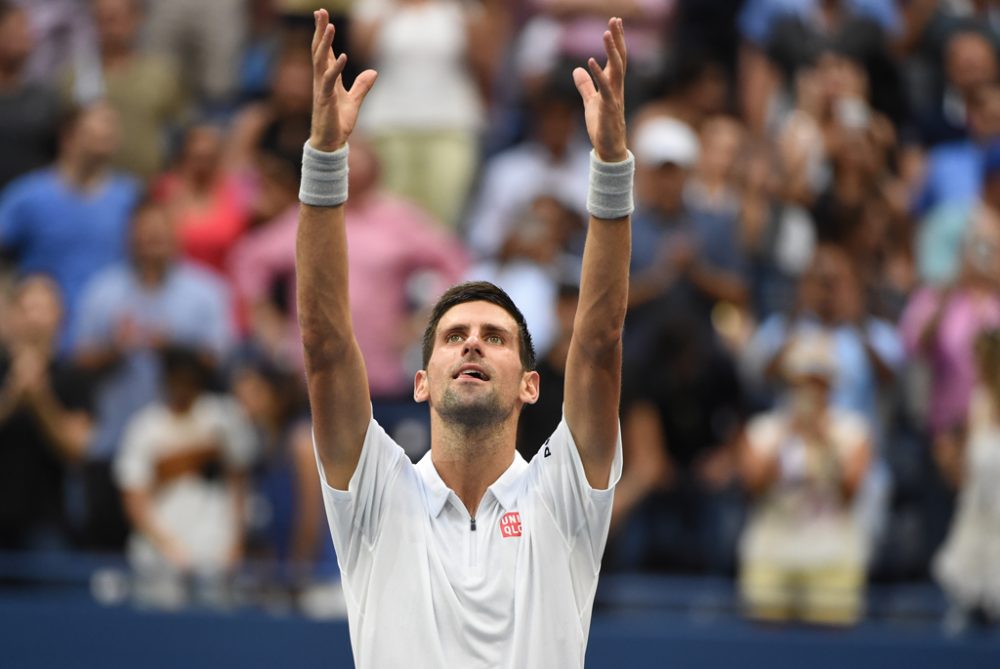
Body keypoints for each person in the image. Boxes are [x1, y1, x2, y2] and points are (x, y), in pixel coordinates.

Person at [296, 11, 629, 667]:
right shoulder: (375, 491)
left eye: (495, 337)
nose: (473, 344)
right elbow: (326, 343)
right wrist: (326, 157)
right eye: (453, 336)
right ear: (421, 379)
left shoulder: (564, 497)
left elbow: (597, 340)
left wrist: (612, 166)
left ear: (532, 384)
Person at [738, 333, 872, 626]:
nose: (811, 392)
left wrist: (826, 443)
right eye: (802, 384)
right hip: (772, 553)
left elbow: (851, 492)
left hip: (832, 555)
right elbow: (753, 486)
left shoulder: (853, 432)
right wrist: (788, 436)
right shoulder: (762, 431)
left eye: (818, 383)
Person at [114, 345, 255, 608]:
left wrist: (236, 542)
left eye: (189, 380)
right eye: (176, 379)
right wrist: (167, 547)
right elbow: (133, 497)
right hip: (159, 555)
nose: (182, 387)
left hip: (214, 548)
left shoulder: (223, 417)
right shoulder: (144, 427)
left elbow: (240, 482)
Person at [0, 100, 141, 352]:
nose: (109, 134)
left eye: (112, 128)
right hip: (43, 342)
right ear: (68, 136)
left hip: (108, 346)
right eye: (99, 126)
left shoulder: (130, 198)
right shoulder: (28, 197)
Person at [0, 275, 94, 550]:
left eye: (43, 309)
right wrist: (12, 397)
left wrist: (41, 400)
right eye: (27, 308)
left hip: (48, 525)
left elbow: (77, 449)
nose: (34, 319)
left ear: (60, 318)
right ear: (12, 316)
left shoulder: (74, 377)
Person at [933, 328, 1000, 632]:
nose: (974, 366)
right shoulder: (979, 403)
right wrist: (950, 461)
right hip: (975, 525)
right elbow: (966, 477)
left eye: (979, 359)